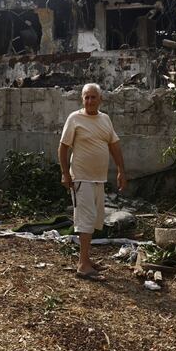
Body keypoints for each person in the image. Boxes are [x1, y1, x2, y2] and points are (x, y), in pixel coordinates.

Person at [58, 83, 126, 280]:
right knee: (85, 221)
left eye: (92, 97)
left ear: (100, 99)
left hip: (99, 179)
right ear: (82, 100)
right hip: (81, 178)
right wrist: (65, 173)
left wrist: (121, 170)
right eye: (86, 97)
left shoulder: (105, 120)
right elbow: (63, 148)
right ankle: (82, 265)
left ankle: (86, 259)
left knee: (95, 220)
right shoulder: (75, 119)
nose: (89, 101)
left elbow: (115, 145)